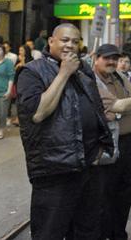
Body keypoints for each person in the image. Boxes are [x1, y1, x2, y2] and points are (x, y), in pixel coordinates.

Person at [16, 23, 112, 240]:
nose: (70, 45)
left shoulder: (83, 70)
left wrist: (100, 145)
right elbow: (38, 113)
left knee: (87, 230)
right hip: (54, 169)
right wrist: (63, 73)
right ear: (51, 42)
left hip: (88, 165)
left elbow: (96, 106)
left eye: (75, 42)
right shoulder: (32, 72)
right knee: (50, 232)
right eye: (65, 40)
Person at [93, 44, 131, 240]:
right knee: (106, 194)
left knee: (125, 192)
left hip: (129, 143)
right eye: (106, 58)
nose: (111, 62)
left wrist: (127, 104)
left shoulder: (120, 77)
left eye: (114, 58)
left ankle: (119, 234)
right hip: (108, 144)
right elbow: (121, 105)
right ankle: (105, 234)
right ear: (96, 58)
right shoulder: (92, 81)